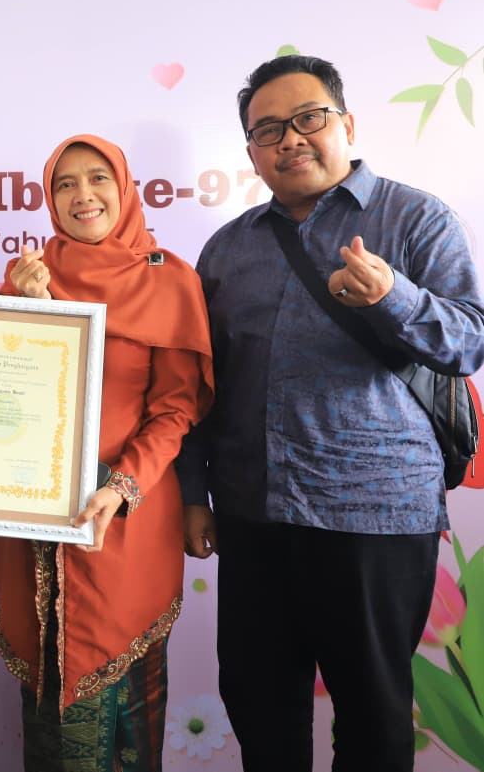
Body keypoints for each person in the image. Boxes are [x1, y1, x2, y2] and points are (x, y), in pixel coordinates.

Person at [176, 54, 484, 772]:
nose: (289, 139)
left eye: (307, 118)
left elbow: (469, 342)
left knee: (373, 718)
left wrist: (391, 297)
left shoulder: (415, 218)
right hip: (254, 516)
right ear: (251, 152)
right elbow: (197, 385)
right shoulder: (227, 249)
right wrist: (193, 493)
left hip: (376, 515)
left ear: (345, 124)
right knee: (260, 711)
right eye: (268, 130)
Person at [0, 134, 215, 770]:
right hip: (34, 522)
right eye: (65, 183)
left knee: (128, 714)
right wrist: (27, 309)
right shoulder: (31, 278)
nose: (84, 195)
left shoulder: (168, 280)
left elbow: (174, 411)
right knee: (48, 713)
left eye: (98, 178)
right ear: (50, 199)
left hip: (126, 522)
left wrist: (121, 487)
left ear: (124, 186)